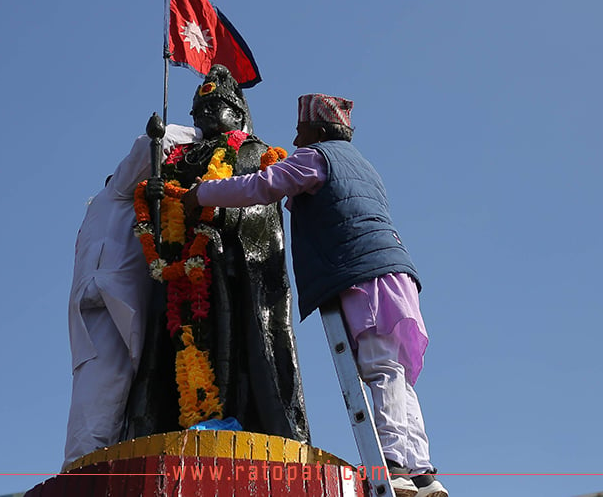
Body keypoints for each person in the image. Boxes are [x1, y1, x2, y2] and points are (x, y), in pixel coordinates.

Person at [184, 93, 448, 497]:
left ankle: (393, 464)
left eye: (300, 128)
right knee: (395, 373)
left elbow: (263, 185)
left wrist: (201, 194)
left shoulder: (318, 158)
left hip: (365, 273)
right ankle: (421, 471)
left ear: (319, 131)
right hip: (396, 273)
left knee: (380, 369)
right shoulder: (363, 166)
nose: (294, 135)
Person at [123, 65, 310, 445]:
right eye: (199, 110)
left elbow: (259, 206)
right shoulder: (179, 158)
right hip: (182, 274)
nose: (205, 115)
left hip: (229, 267)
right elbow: (162, 218)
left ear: (237, 114)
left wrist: (219, 211)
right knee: (177, 344)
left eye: (216, 107)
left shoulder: (253, 151)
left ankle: (236, 417)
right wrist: (158, 198)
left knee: (236, 344)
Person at [62, 122, 200, 472]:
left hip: (104, 303)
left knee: (116, 402)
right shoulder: (118, 192)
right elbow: (155, 141)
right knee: (102, 400)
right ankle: (81, 475)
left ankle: (88, 471)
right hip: (112, 301)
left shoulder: (96, 213)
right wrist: (200, 133)